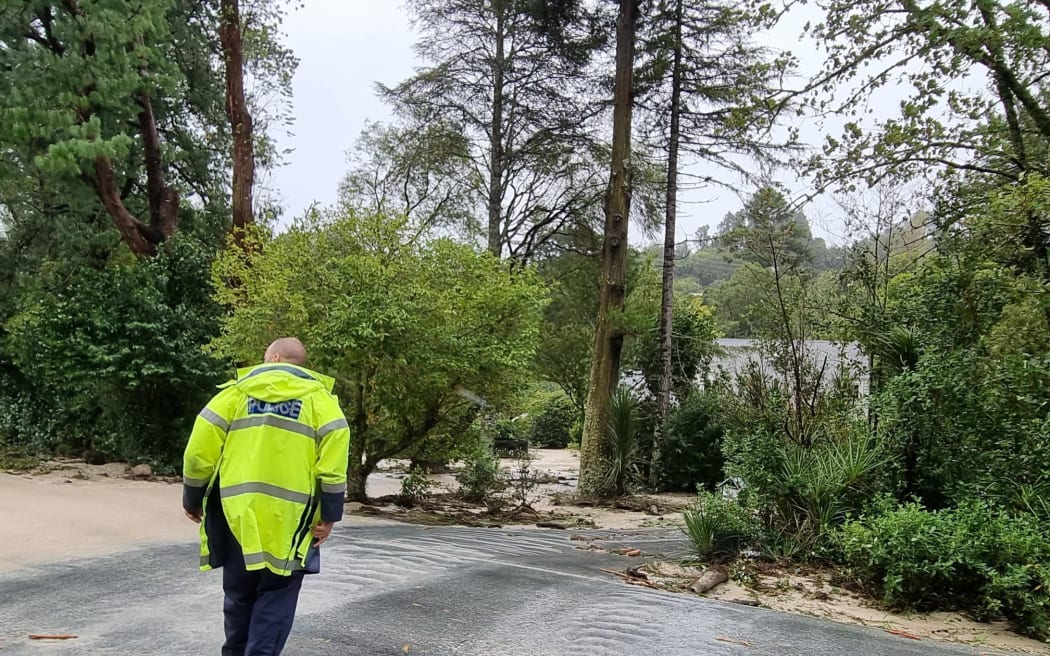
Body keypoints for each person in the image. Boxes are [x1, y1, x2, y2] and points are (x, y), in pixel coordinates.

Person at [183, 337, 350, 656]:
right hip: (291, 521)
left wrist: (192, 497)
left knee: (239, 596)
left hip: (237, 514)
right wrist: (329, 516)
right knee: (276, 595)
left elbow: (197, 453)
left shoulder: (234, 394)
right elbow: (332, 469)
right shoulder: (323, 404)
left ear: (273, 358)